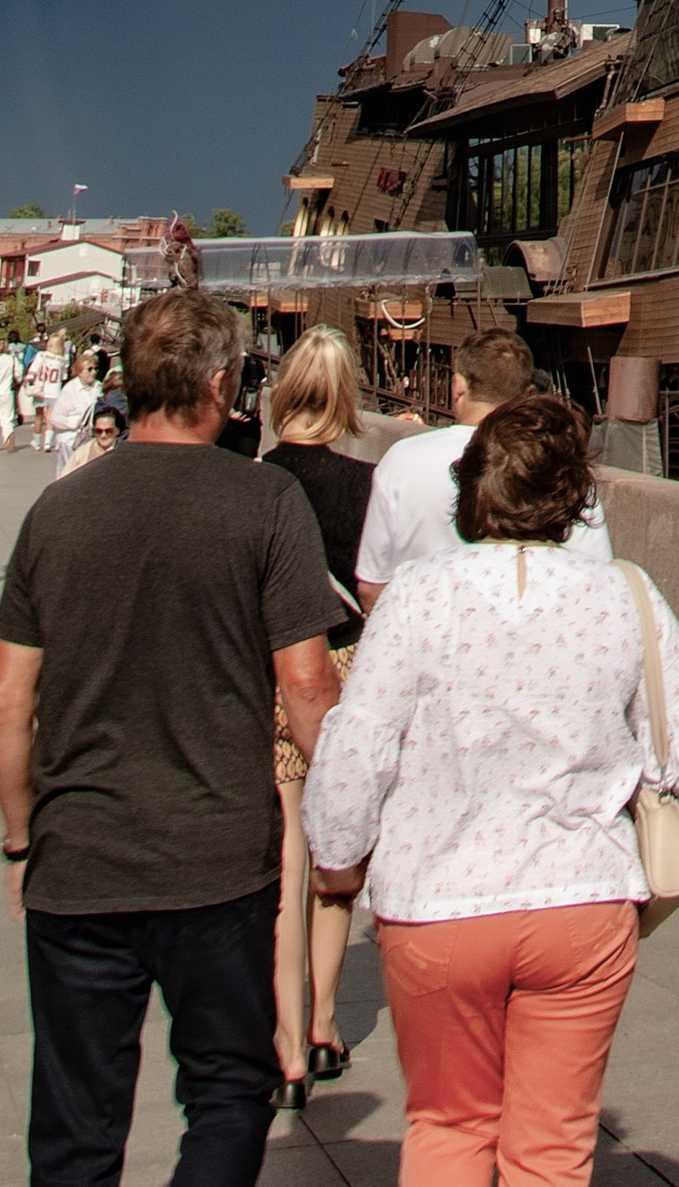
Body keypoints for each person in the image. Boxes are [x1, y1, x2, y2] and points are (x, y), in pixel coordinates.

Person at [305, 394, 679, 1187]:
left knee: (448, 1125)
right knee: (553, 1147)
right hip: (581, 899)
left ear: (472, 490)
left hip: (437, 899)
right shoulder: (622, 594)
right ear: (573, 495)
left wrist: (337, 855)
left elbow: (359, 745)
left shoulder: (417, 595)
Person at [0, 287, 342, 1187]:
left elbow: (5, 704)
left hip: (80, 856)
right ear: (219, 384)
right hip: (215, 856)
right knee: (228, 1087)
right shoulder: (265, 501)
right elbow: (306, 684)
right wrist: (344, 818)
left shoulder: (57, 512)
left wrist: (21, 837)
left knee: (75, 1119)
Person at [257, 329, 379, 1104]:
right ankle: (326, 1023)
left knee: (286, 856)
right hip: (347, 667)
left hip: (271, 669)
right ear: (344, 396)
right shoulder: (368, 485)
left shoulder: (252, 481)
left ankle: (284, 1035)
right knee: (336, 849)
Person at [354, 330, 610, 606]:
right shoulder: (557, 462)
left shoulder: (402, 460)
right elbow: (597, 577)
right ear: (525, 393)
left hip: (425, 621)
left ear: (458, 385)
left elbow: (372, 587)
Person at [47, 353, 101, 475]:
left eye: (95, 369)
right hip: (70, 441)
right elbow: (55, 418)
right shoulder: (70, 390)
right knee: (69, 475)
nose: (93, 372)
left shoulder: (98, 387)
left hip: (89, 441)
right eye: (89, 369)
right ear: (80, 372)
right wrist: (74, 423)